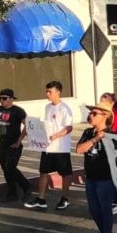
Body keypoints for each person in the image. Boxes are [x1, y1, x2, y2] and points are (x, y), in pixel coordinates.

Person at [24, 81, 73, 210]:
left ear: (58, 92)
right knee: (43, 172)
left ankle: (65, 198)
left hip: (61, 148)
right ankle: (41, 199)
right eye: (47, 91)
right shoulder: (47, 107)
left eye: (50, 91)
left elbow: (69, 127)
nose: (47, 94)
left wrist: (56, 135)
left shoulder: (65, 108)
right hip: (47, 147)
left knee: (65, 174)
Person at [76, 101, 117, 233]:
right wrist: (95, 139)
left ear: (104, 116)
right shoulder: (88, 132)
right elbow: (79, 149)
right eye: (90, 113)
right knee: (93, 209)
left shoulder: (112, 135)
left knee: (105, 208)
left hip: (105, 178)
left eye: (94, 113)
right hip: (91, 176)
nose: (91, 116)